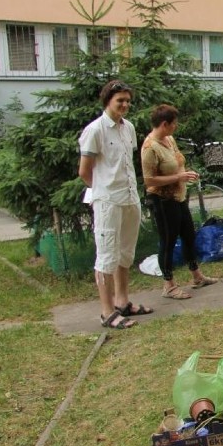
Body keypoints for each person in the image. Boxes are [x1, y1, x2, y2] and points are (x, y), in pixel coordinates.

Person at [78, 80, 150, 330]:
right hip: (108, 202)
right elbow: (84, 172)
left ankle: (123, 301)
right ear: (107, 100)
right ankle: (106, 312)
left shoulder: (127, 128)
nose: (125, 105)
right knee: (106, 256)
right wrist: (102, 190)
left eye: (128, 100)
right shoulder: (95, 130)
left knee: (125, 253)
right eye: (120, 100)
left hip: (130, 198)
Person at [141, 104, 218, 300]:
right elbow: (149, 181)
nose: (177, 126)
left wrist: (187, 174)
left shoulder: (169, 139)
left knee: (188, 235)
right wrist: (178, 178)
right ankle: (168, 285)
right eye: (174, 123)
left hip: (179, 197)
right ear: (164, 124)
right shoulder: (150, 148)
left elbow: (176, 165)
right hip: (162, 200)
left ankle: (196, 275)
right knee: (168, 240)